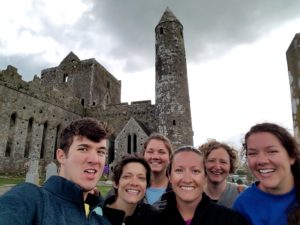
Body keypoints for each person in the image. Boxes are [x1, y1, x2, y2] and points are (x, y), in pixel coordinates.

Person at [0, 117, 111, 225]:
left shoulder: (102, 214)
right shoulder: (30, 198)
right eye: (83, 149)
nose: (95, 160)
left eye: (101, 152)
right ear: (61, 156)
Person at [156, 145, 250, 225]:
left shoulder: (232, 220)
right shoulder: (152, 220)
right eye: (179, 170)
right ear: (169, 176)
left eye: (195, 171)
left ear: (205, 177)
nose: (187, 179)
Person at [233, 122, 300, 225]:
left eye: (272, 151)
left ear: (291, 157)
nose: (261, 160)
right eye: (253, 153)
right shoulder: (244, 205)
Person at [103, 155, 158, 225]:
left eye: (141, 178)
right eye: (127, 176)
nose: (134, 183)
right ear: (116, 183)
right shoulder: (96, 216)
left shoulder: (153, 217)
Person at [199, 139, 246, 208]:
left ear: (231, 166)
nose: (217, 167)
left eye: (223, 162)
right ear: (203, 163)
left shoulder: (243, 194)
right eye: (211, 161)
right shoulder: (193, 195)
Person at [142, 133, 173, 209]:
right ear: (143, 155)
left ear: (170, 157)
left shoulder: (177, 191)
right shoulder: (132, 187)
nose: (155, 157)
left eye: (161, 152)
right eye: (150, 151)